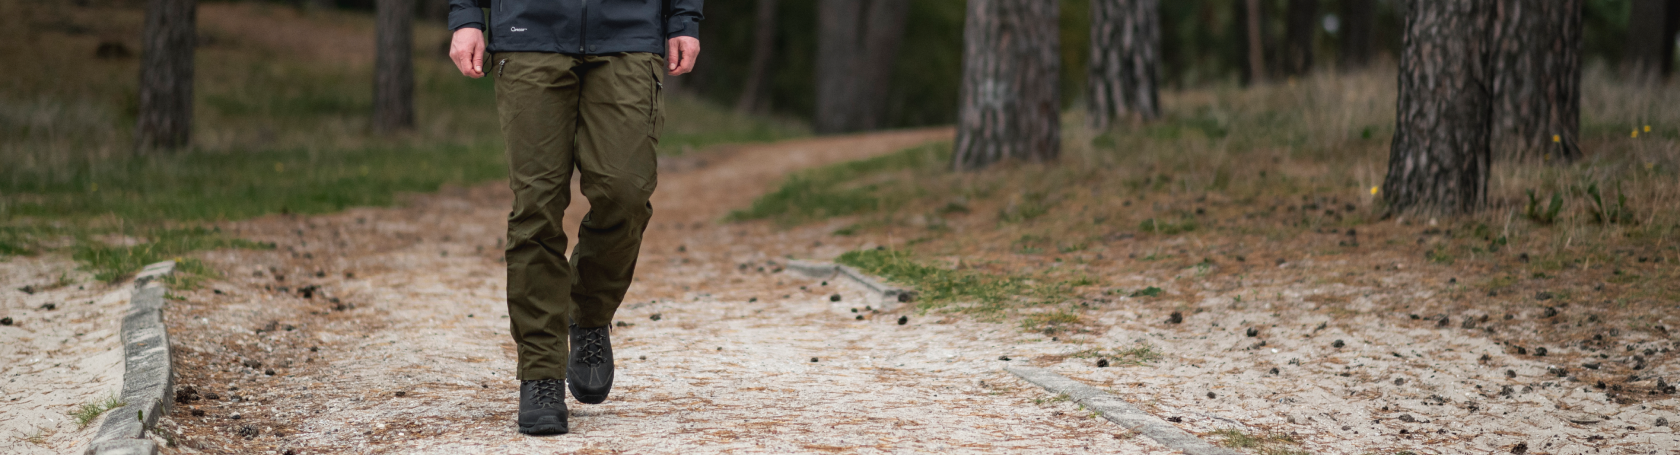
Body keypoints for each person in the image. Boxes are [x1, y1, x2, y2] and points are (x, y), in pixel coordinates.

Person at [444, 0, 703, 436]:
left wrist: (684, 18)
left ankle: (588, 312)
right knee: (536, 206)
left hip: (629, 32)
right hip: (530, 33)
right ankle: (540, 376)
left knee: (626, 192)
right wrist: (466, 15)